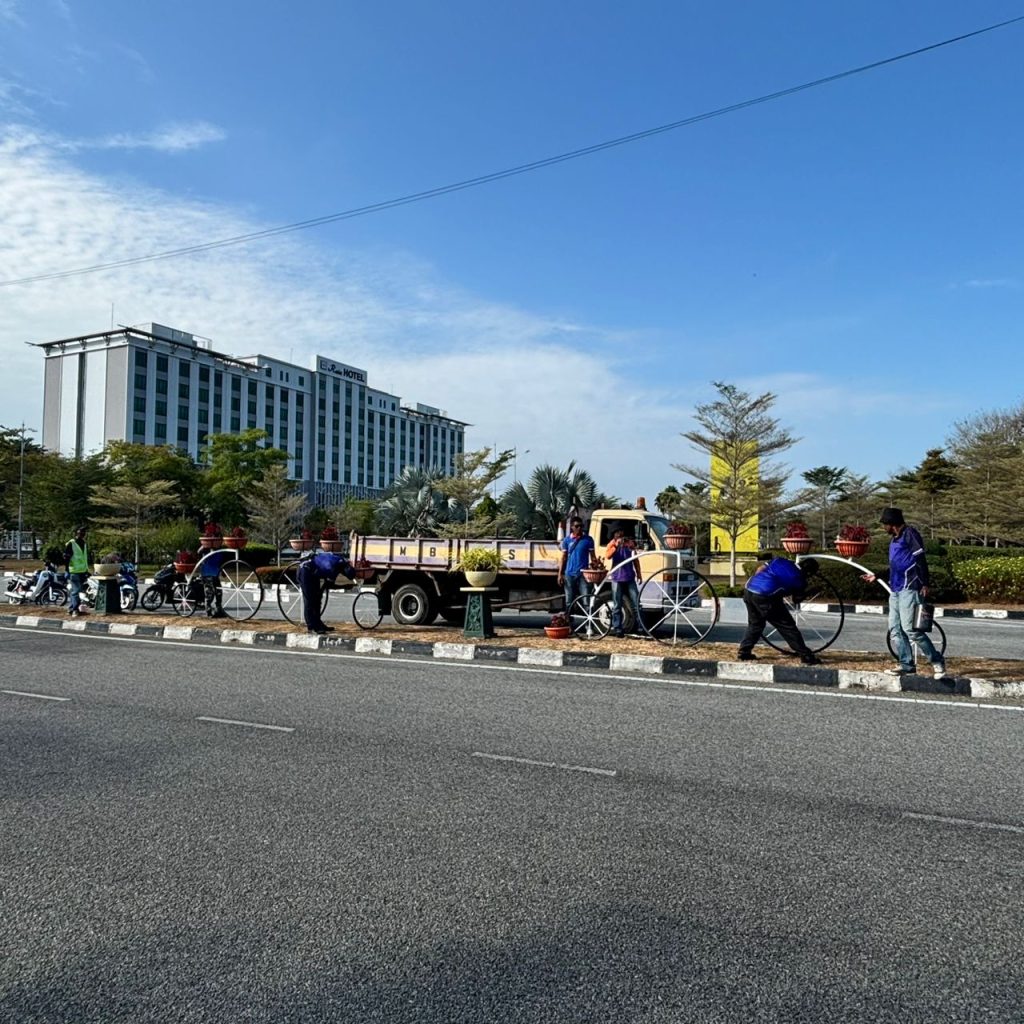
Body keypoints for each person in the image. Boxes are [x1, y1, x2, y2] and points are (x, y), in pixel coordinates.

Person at [862, 507, 946, 678]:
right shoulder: (894, 539)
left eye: (885, 524)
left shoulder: (910, 534)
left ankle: (937, 661)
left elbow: (920, 559)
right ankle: (906, 664)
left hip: (910, 586)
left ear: (892, 524)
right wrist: (877, 576)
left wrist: (925, 583)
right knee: (895, 629)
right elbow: (895, 566)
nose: (883, 527)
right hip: (895, 589)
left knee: (911, 629)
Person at [737, 556, 822, 664]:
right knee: (787, 626)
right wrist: (811, 591)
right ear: (809, 573)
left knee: (756, 624)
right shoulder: (799, 580)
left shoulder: (780, 560)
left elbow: (760, 569)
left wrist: (760, 582)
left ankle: (744, 652)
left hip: (749, 589)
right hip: (766, 597)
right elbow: (796, 599)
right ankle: (806, 656)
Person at [298, 549, 357, 633]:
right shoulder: (332, 568)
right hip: (305, 571)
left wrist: (319, 592)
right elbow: (329, 585)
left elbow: (326, 583)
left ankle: (318, 623)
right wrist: (345, 586)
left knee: (317, 600)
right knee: (310, 601)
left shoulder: (342, 562)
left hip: (314, 571)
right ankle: (312, 627)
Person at [606, 526, 642, 638]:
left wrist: (639, 574)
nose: (620, 535)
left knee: (636, 602)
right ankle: (618, 628)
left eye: (621, 532)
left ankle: (641, 626)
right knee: (617, 604)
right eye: (617, 533)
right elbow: (608, 556)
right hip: (617, 577)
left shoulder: (628, 543)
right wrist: (616, 546)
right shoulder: (612, 544)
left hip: (629, 577)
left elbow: (635, 559)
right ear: (614, 534)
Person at [558, 516, 595, 614]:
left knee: (586, 601)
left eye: (581, 526)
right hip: (569, 574)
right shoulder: (566, 540)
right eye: (577, 526)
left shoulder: (588, 540)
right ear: (572, 527)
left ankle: (589, 622)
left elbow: (593, 557)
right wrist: (560, 574)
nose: (579, 528)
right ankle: (568, 621)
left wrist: (595, 568)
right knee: (569, 601)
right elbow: (563, 558)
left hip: (583, 574)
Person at [63, 525, 89, 617]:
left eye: (83, 532)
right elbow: (66, 557)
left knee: (77, 590)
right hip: (73, 571)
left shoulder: (84, 543)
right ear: (76, 533)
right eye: (80, 532)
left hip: (82, 571)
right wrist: (67, 570)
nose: (82, 534)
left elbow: (84, 558)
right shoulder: (72, 543)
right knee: (76, 591)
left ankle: (71, 608)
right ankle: (75, 610)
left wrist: (86, 570)